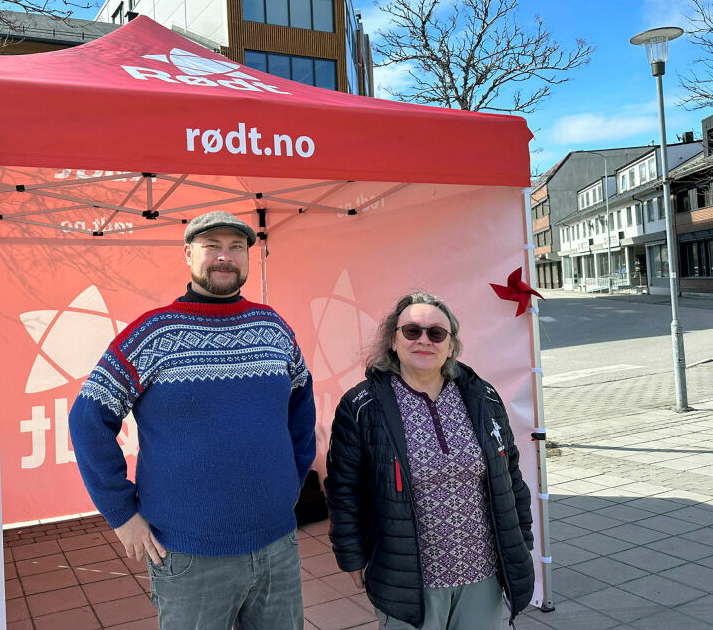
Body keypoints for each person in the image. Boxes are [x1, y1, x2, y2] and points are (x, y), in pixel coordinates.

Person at [69, 210, 316, 630]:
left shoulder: (273, 327)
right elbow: (88, 419)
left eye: (236, 247)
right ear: (188, 255)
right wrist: (121, 513)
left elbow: (301, 410)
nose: (225, 257)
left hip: (277, 543)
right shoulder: (152, 334)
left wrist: (290, 482)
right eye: (211, 247)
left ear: (248, 258)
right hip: (188, 553)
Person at [324, 291, 534, 630]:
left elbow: (509, 473)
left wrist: (521, 539)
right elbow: (343, 488)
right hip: (409, 581)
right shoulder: (362, 405)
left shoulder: (483, 397)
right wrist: (350, 554)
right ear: (393, 340)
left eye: (436, 333)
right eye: (411, 331)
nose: (424, 340)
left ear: (450, 345)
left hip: (483, 572)